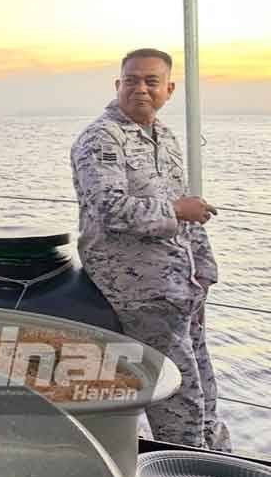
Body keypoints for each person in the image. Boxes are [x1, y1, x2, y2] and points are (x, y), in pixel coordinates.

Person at [71, 47, 231, 451]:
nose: (140, 89)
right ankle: (183, 474)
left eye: (150, 81)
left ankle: (215, 465)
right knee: (181, 399)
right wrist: (178, 210)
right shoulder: (102, 138)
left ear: (168, 89)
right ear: (118, 85)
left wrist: (204, 272)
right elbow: (110, 209)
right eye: (131, 80)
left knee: (206, 391)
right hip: (140, 291)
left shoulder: (165, 137)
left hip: (182, 289)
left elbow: (187, 211)